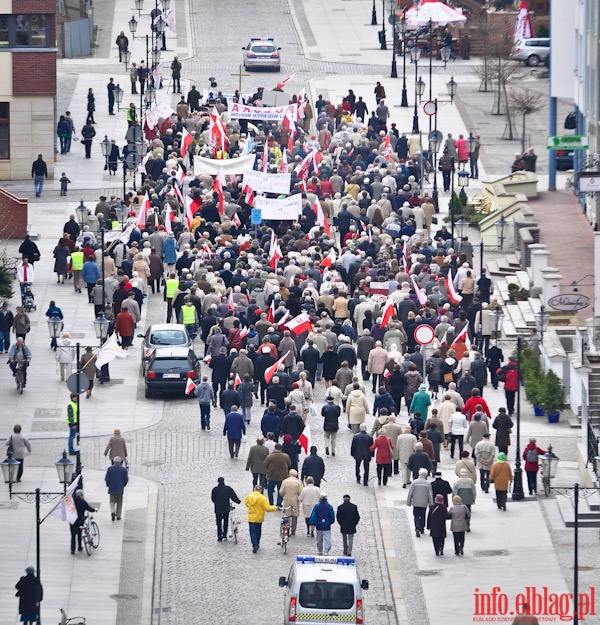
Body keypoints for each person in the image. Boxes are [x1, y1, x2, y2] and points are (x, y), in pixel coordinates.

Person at [244, 484, 277, 553]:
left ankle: (254, 544)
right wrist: (275, 507)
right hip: (259, 517)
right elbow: (267, 508)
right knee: (258, 531)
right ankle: (257, 543)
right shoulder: (263, 498)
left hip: (251, 517)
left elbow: (246, 504)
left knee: (252, 532)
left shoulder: (249, 497)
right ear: (261, 490)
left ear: (254, 489)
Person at [211, 477, 241, 541]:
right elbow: (233, 496)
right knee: (225, 521)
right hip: (226, 508)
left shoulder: (215, 489)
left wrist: (216, 503)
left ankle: (219, 536)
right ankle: (224, 534)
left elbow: (213, 498)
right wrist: (238, 501)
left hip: (218, 508)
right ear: (224, 481)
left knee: (218, 523)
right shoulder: (228, 489)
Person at [407, 468, 433, 537]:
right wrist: (431, 504)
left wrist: (409, 502)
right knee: (423, 515)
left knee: (416, 516)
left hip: (416, 502)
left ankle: (417, 528)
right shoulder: (427, 483)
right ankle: (421, 528)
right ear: (426, 475)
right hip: (424, 503)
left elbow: (410, 493)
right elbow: (430, 494)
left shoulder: (414, 482)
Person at [70, 489, 96, 553]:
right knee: (79, 533)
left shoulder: (72, 502)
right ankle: (79, 547)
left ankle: (72, 550)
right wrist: (94, 510)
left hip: (72, 520)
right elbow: (89, 508)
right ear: (81, 495)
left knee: (73, 535)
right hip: (80, 519)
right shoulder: (82, 501)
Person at [280, 469, 303, 535]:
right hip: (295, 499)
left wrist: (284, 495)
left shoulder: (285, 481)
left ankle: (287, 529)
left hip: (287, 499)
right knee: (294, 515)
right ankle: (293, 530)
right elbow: (301, 492)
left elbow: (281, 491)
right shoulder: (298, 482)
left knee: (287, 514)